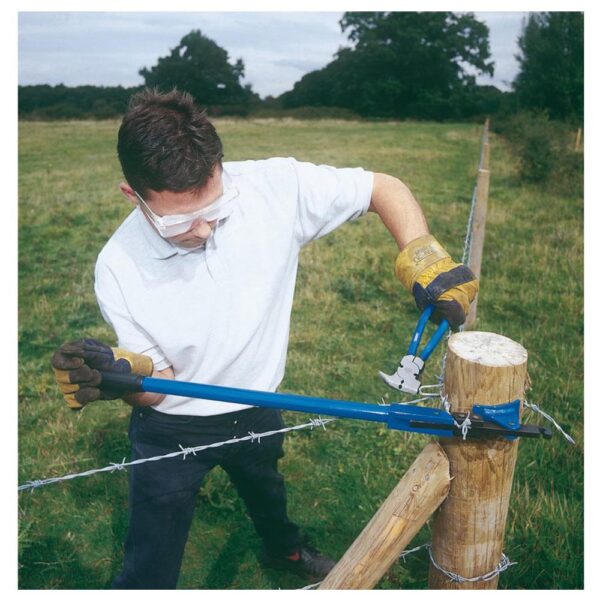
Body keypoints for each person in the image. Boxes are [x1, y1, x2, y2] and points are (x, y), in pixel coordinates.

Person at [51, 88, 478, 589]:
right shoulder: (117, 267)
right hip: (171, 426)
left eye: (216, 207)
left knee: (267, 492)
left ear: (220, 167)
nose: (204, 229)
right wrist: (125, 378)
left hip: (260, 403)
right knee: (151, 555)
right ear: (133, 195)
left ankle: (285, 551)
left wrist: (424, 258)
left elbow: (382, 188)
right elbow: (158, 384)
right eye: (181, 220)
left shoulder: (274, 187)